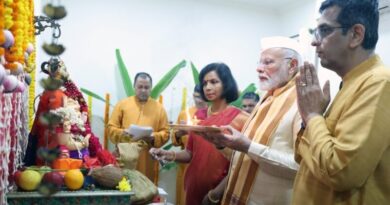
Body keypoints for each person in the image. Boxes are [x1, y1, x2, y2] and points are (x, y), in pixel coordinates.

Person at [293, 1, 390, 204]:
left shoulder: (379, 83)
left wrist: (312, 116)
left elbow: (340, 172)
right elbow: (303, 156)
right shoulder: (352, 82)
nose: (313, 42)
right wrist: (309, 119)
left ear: (356, 35)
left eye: (324, 30)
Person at [200, 36, 303, 205]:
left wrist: (248, 146)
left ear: (291, 65)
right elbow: (246, 157)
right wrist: (221, 144)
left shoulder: (302, 102)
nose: (259, 69)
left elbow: (302, 168)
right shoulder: (267, 98)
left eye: (268, 62)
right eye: (259, 63)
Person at [150, 63, 248, 205]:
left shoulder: (240, 118)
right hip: (193, 188)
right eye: (205, 83)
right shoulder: (199, 116)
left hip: (219, 193)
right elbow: (190, 154)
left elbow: (241, 165)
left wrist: (214, 195)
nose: (207, 87)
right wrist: (167, 154)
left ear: (226, 84)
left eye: (214, 82)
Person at [107, 72, 169, 183]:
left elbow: (165, 133)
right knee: (123, 187)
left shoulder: (159, 108)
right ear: (134, 87)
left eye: (146, 87)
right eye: (140, 87)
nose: (143, 90)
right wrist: (123, 133)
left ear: (151, 88)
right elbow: (111, 128)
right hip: (124, 157)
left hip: (147, 160)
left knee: (144, 190)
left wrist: (153, 137)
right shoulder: (122, 105)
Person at [171, 84, 208, 205]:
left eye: (203, 97)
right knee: (183, 198)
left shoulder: (212, 114)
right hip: (185, 164)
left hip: (205, 165)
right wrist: (179, 134)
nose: (200, 100)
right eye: (197, 97)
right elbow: (174, 139)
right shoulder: (185, 113)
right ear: (193, 95)